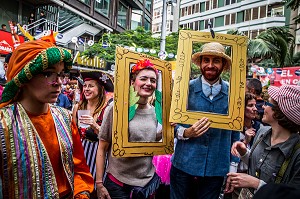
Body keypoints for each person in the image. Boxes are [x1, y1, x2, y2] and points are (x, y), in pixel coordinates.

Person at [0, 38, 94, 198]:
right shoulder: (3, 124)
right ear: (24, 77)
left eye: (60, 74)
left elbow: (79, 169)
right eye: (48, 73)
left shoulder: (65, 117)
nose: (58, 82)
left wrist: (81, 194)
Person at [170, 42, 240, 199]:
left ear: (223, 65)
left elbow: (235, 132)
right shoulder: (184, 89)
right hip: (184, 164)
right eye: (206, 60)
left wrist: (233, 167)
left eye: (216, 61)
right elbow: (171, 125)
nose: (210, 65)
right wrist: (186, 132)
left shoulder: (234, 93)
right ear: (200, 63)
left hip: (216, 168)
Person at [96, 59, 161, 199]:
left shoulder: (156, 112)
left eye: (153, 80)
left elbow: (147, 141)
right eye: (143, 78)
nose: (148, 83)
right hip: (119, 185)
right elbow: (102, 147)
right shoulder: (116, 109)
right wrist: (99, 184)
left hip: (147, 185)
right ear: (132, 82)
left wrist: (167, 131)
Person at [225, 85, 300, 197]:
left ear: (279, 113)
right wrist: (244, 152)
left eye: (268, 104)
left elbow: (292, 194)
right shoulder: (262, 132)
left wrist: (256, 183)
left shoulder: (296, 152)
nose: (263, 107)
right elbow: (259, 163)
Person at [72, 70, 113, 197]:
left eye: (91, 86)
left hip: (98, 158)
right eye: (85, 85)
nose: (86, 89)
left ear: (100, 89)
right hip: (79, 156)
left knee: (95, 192)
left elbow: (111, 139)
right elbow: (72, 134)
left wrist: (95, 126)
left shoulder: (107, 110)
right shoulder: (78, 107)